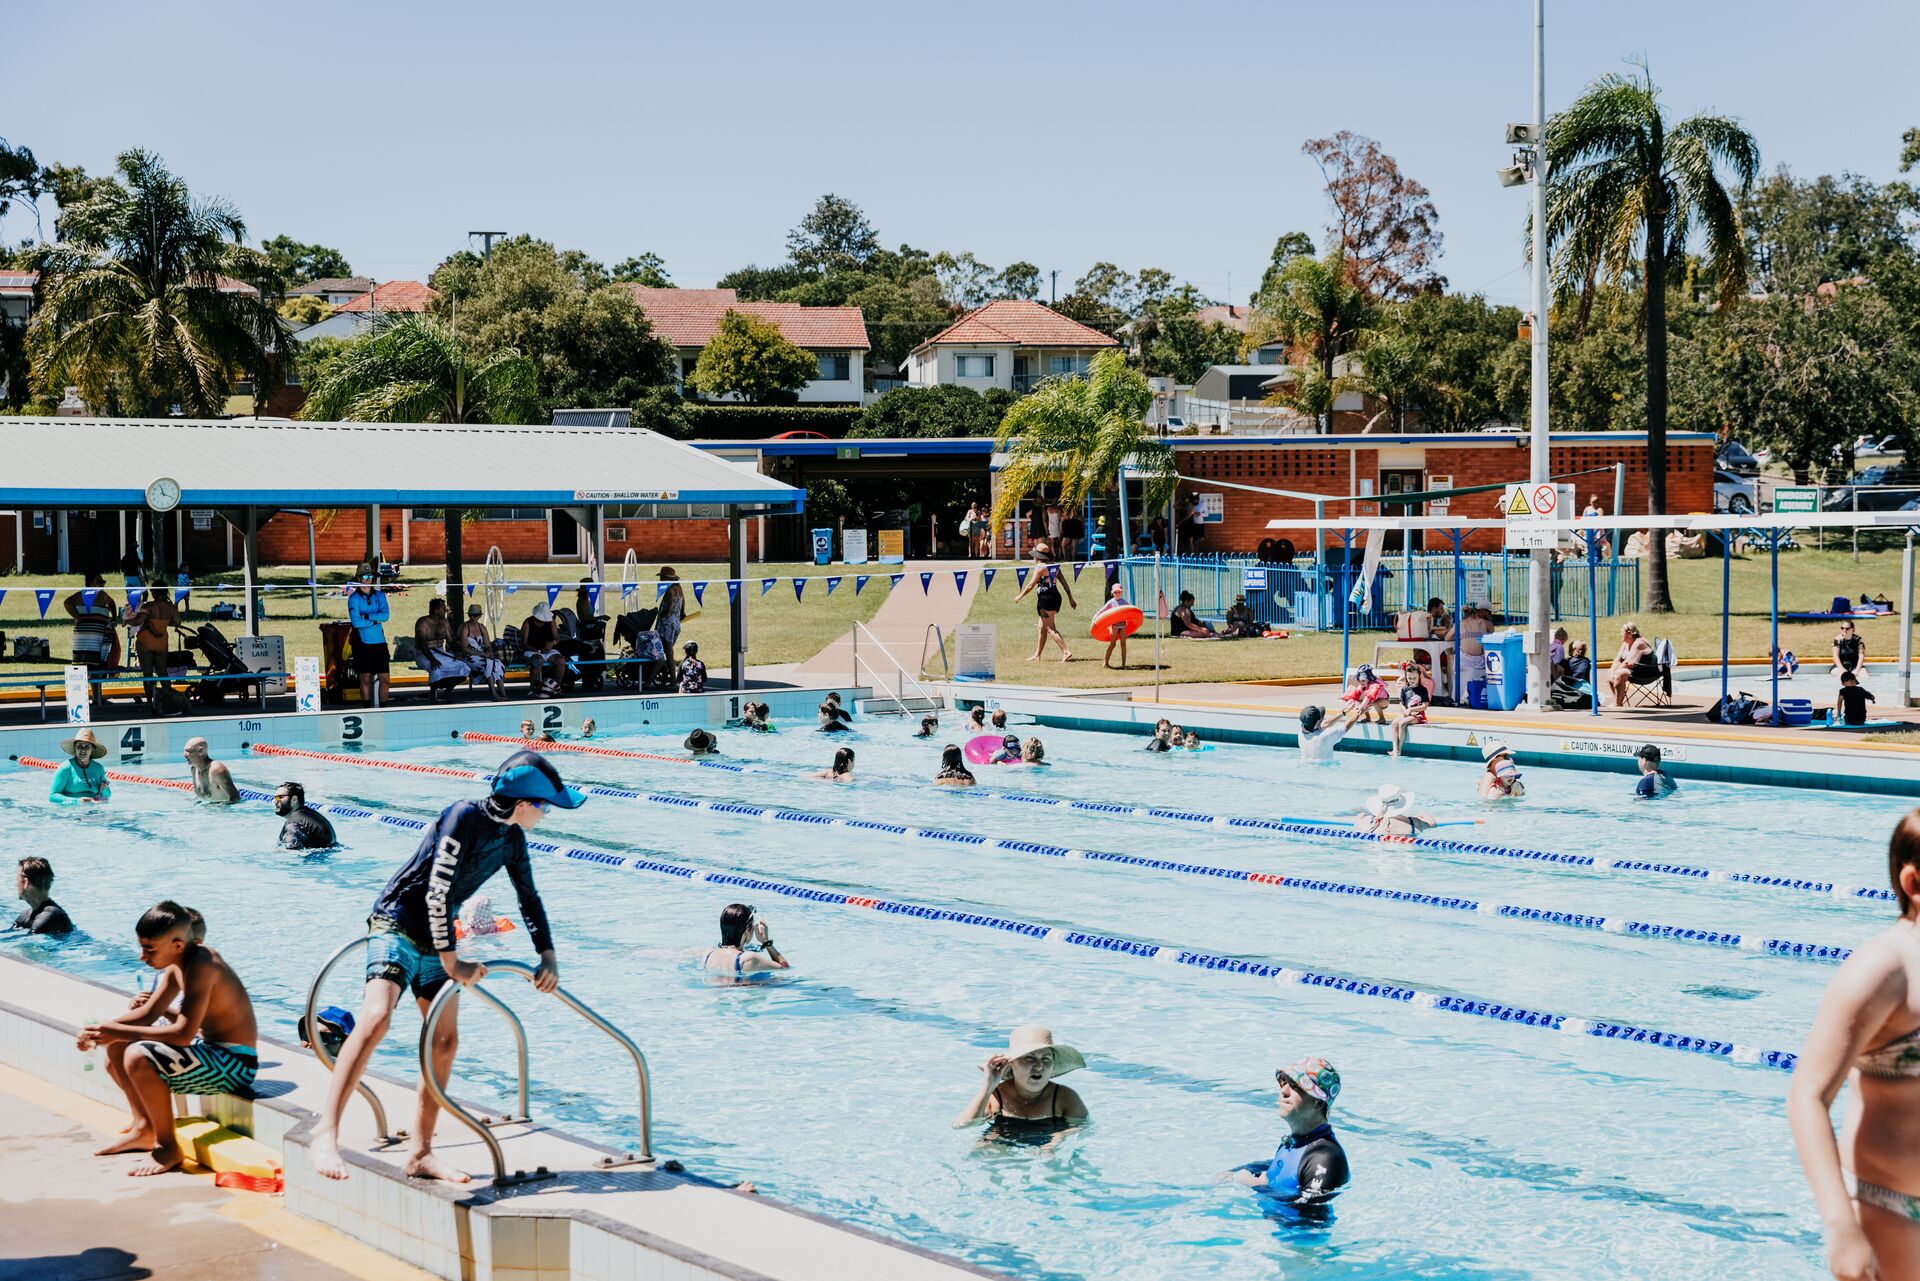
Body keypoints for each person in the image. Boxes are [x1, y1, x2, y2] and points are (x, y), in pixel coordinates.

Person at [307, 750, 581, 1182]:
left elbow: (530, 898)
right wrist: (454, 962)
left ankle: (420, 1152)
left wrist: (547, 955)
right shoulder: (461, 816)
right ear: (523, 802)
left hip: (437, 939)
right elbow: (437, 890)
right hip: (396, 922)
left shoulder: (512, 840)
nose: (546, 814)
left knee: (445, 1041)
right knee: (377, 1017)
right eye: (544, 806)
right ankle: (326, 1132)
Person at [1790, 810, 1920, 1281]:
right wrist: (1840, 1224)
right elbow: (1808, 1096)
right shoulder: (1882, 970)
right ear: (1914, 884)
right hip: (1891, 1208)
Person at [78, 900, 258, 1175]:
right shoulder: (179, 964)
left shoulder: (203, 964)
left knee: (138, 1055)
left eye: (149, 949)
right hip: (211, 1052)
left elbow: (183, 1035)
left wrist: (116, 1030)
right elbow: (148, 1013)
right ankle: (144, 1128)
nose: (142, 956)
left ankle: (167, 1146)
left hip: (236, 1063)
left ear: (177, 944)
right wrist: (100, 1030)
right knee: (117, 1047)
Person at [1224, 1057, 1349, 1218]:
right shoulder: (1298, 1143)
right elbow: (1285, 1166)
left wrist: (1257, 1186)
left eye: (1295, 1086)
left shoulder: (1325, 1156)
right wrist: (1236, 1171)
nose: (1283, 1091)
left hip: (1303, 1242)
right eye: (1283, 1083)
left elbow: (1310, 1214)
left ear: (1318, 1103)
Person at [953, 1025, 1088, 1145]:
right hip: (1003, 1138)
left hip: (1049, 1138)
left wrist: (1057, 1139)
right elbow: (962, 1125)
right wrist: (988, 1086)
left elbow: (1082, 1126)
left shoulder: (1064, 1097)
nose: (1039, 1066)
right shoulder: (998, 1095)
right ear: (1011, 1063)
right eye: (1029, 1058)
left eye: (1046, 1059)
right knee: (980, 1150)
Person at [1013, 541, 1076, 662]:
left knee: (1050, 628)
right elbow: (1064, 583)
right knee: (1042, 627)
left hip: (1046, 599)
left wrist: (1019, 596)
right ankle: (1037, 655)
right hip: (1054, 597)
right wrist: (1070, 598)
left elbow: (1031, 585)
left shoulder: (1040, 567)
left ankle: (1066, 651)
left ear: (1038, 556)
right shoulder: (1054, 566)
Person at [130, 574, 178, 709]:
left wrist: (128, 620)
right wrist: (163, 623)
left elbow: (138, 621)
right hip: (162, 643)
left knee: (148, 674)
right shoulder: (171, 607)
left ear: (155, 592)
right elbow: (178, 622)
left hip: (145, 642)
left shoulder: (150, 606)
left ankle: (150, 702)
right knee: (163, 672)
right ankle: (170, 700)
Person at [703, 903, 789, 977]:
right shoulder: (749, 959)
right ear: (747, 930)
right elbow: (784, 969)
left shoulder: (708, 954)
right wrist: (765, 941)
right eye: (752, 926)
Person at [347, 570, 391, 709]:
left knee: (385, 679)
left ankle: (383, 709)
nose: (368, 579)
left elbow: (385, 616)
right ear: (359, 578)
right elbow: (356, 622)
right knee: (365, 678)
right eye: (365, 576)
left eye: (370, 576)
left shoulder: (380, 595)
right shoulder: (353, 598)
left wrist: (366, 616)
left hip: (380, 643)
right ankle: (367, 709)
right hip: (362, 643)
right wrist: (374, 620)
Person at [65, 571, 121, 676]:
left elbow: (112, 603)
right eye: (99, 581)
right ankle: (90, 691)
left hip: (92, 638)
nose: (103, 584)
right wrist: (77, 617)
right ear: (90, 583)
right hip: (87, 638)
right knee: (86, 668)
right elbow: (67, 603)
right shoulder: (89, 594)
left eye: (104, 581)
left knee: (91, 667)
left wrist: (114, 618)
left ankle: (95, 692)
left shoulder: (100, 594)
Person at [413, 598, 468, 700]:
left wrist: (457, 652)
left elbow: (450, 640)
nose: (445, 610)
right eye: (443, 608)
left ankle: (447, 692)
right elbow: (422, 644)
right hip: (423, 654)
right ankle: (433, 692)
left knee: (463, 665)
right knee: (437, 668)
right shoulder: (422, 622)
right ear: (436, 610)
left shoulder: (444, 622)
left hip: (440, 652)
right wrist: (432, 659)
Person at [49, 728, 112, 805]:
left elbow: (106, 796)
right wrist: (77, 801)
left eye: (87, 747)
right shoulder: (66, 768)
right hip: (72, 811)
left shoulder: (98, 768)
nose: (83, 750)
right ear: (75, 747)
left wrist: (105, 789)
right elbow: (52, 797)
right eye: (79, 746)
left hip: (94, 811)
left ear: (92, 749)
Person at [13, 856, 74, 935]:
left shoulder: (51, 915)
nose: (16, 885)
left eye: (17, 880)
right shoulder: (26, 915)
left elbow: (26, 943)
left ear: (26, 882)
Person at [458, 604, 506, 698]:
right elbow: (464, 648)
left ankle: (503, 693)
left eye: (475, 615)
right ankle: (494, 693)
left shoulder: (482, 627)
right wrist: (482, 654)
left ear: (479, 616)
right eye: (470, 615)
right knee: (489, 664)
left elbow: (488, 645)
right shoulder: (465, 627)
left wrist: (488, 652)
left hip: (481, 656)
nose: (472, 617)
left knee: (497, 663)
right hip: (469, 656)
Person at [1607, 622, 1659, 706]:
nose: (1620, 634)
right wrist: (1613, 670)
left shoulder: (1639, 643)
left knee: (1619, 674)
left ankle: (1617, 704)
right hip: (1634, 671)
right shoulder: (1626, 643)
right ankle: (1617, 702)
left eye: (1622, 632)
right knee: (1610, 673)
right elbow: (1618, 659)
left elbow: (1628, 663)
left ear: (1629, 634)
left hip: (1645, 673)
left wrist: (1616, 671)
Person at [275, 781, 338, 850]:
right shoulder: (306, 815)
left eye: (280, 797)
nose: (275, 801)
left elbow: (290, 853)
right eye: (275, 797)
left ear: (294, 799)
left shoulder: (295, 822)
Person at [1358, 784, 1434, 837]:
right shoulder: (1414, 823)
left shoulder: (1368, 822)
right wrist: (1422, 813)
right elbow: (1432, 824)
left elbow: (1360, 816)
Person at [1389, 661, 1429, 757]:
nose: (1412, 680)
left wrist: (1411, 710)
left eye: (1414, 678)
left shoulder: (1423, 690)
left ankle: (1399, 749)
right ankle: (1394, 749)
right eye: (1409, 678)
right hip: (1406, 713)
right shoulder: (1404, 689)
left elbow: (1425, 706)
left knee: (1402, 723)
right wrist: (1404, 711)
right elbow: (1401, 703)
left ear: (1419, 676)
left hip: (1418, 715)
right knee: (1394, 723)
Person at [184, 737, 240, 805]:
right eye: (185, 751)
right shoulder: (194, 769)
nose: (184, 755)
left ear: (200, 751)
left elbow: (235, 799)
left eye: (189, 751)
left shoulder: (216, 770)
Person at [520, 602, 562, 692]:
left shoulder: (551, 621)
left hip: (548, 650)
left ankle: (557, 686)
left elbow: (557, 638)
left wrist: (552, 643)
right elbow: (524, 643)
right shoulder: (528, 623)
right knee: (537, 660)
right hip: (532, 650)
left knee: (561, 660)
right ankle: (533, 688)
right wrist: (538, 650)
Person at [1097, 583, 1133, 669]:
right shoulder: (1111, 602)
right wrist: (1096, 618)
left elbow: (1131, 609)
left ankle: (1124, 665)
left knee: (1123, 644)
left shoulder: (1124, 602)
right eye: (1115, 592)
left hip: (1123, 625)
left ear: (1121, 592)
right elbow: (1102, 610)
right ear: (1112, 593)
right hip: (1114, 626)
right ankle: (1106, 662)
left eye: (1119, 592)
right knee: (1112, 644)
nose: (1117, 593)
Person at [655, 568, 686, 660]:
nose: (660, 580)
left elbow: (669, 606)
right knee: (665, 651)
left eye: (662, 578)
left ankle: (672, 674)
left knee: (667, 652)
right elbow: (683, 601)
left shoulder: (670, 591)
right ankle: (658, 672)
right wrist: (682, 612)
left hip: (666, 625)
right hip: (676, 623)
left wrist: (664, 614)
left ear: (667, 579)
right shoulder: (679, 588)